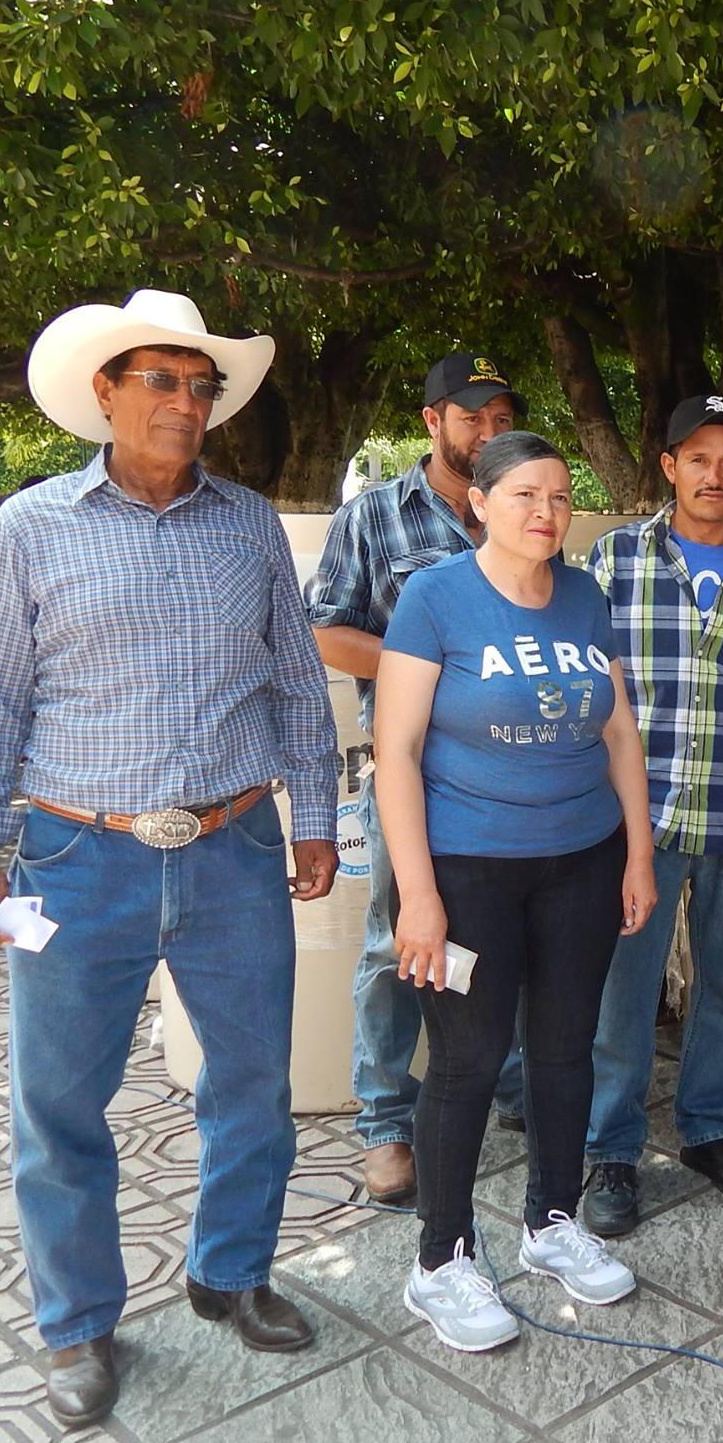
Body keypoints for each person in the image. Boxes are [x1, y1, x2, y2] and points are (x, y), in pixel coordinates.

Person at [0, 289, 340, 1428]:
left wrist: (312, 820)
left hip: (232, 846)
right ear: (104, 394)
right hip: (72, 857)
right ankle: (79, 1327)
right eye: (161, 380)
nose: (185, 403)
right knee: (60, 1105)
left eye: (200, 386)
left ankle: (230, 1271)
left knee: (251, 1085)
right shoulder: (34, 525)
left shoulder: (247, 523)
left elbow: (295, 679)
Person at [374, 430, 659, 1354]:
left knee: (567, 1045)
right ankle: (441, 1260)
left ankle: (551, 1223)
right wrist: (418, 895)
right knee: (465, 1059)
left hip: (579, 857)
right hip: (467, 870)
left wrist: (638, 855)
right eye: (526, 495)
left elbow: (619, 736)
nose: (547, 513)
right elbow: (397, 755)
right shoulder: (435, 598)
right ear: (481, 503)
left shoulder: (583, 597)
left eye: (562, 497)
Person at [579, 393, 723, 1236]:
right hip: (633, 819)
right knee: (624, 991)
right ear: (669, 466)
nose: (715, 474)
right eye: (697, 458)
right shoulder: (612, 559)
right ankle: (612, 1147)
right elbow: (592, 691)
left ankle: (711, 1128)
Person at [305, 352, 527, 1207]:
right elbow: (326, 631)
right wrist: (436, 668)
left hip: (512, 778)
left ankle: (509, 1087)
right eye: (474, 417)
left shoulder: (522, 512)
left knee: (501, 943)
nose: (490, 433)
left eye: (503, 419)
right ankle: (387, 1124)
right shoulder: (375, 518)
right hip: (411, 775)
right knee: (395, 949)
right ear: (433, 421)